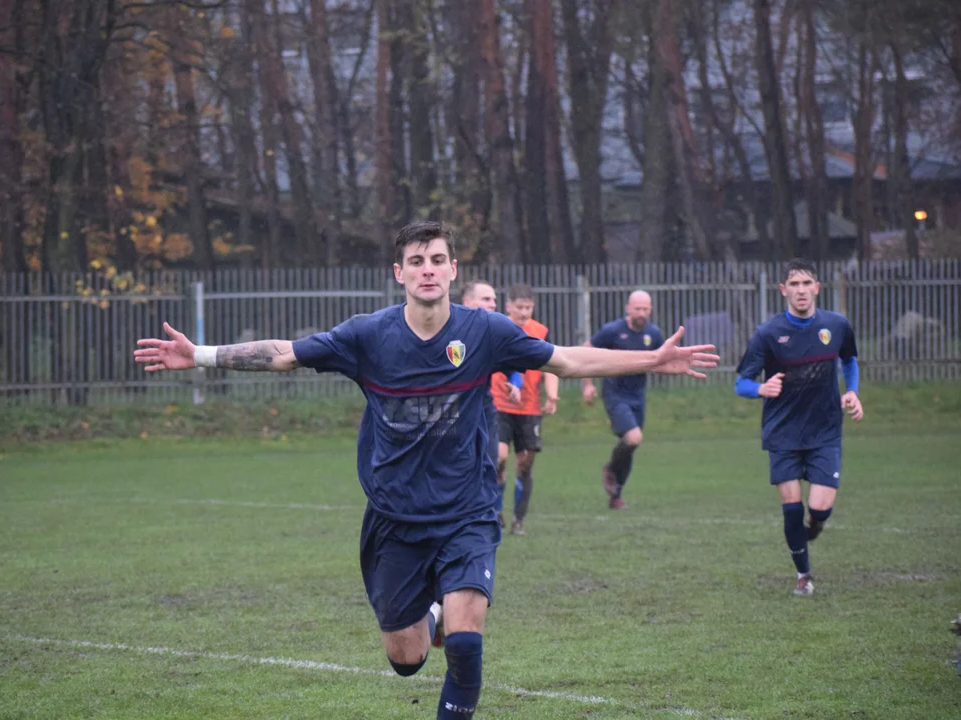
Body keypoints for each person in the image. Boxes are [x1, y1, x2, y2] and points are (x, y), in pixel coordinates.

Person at [134, 220, 719, 719]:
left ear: (453, 269)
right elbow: (285, 353)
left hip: (467, 509)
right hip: (395, 517)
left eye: (438, 259)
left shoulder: (485, 331)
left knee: (465, 643)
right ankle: (431, 610)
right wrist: (200, 355)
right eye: (416, 261)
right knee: (407, 659)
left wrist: (653, 358)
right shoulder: (368, 335)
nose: (428, 270)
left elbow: (566, 360)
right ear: (400, 273)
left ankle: (452, 615)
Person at [734, 258, 862, 597]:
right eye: (794, 284)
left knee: (820, 507)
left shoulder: (836, 325)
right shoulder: (768, 333)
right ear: (783, 290)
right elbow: (741, 383)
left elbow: (849, 360)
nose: (801, 290)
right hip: (782, 432)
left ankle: (815, 524)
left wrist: (852, 391)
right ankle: (803, 575)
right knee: (791, 507)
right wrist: (761, 389)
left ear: (817, 288)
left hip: (824, 429)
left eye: (807, 283)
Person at [582, 291, 664, 510]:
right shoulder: (612, 331)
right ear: (628, 309)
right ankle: (610, 468)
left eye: (645, 309)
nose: (641, 313)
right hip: (615, 394)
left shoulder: (654, 334)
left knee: (631, 446)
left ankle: (616, 495)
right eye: (637, 309)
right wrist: (588, 384)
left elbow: (662, 358)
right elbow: (586, 351)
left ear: (651, 309)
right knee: (633, 438)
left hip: (638, 396)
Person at [491, 283, 559, 535]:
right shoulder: (497, 327)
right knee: (499, 457)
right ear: (508, 306)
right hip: (498, 404)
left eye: (528, 307)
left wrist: (552, 395)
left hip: (529, 407)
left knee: (525, 463)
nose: (524, 312)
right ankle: (495, 511)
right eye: (519, 307)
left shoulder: (540, 332)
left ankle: (518, 520)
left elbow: (551, 366)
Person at [460, 280, 522, 481]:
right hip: (450, 413)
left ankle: (491, 501)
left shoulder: (493, 335)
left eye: (494, 300)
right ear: (467, 302)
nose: (493, 304)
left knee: (489, 466)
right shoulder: (449, 332)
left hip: (483, 411)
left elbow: (513, 368)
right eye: (486, 299)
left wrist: (516, 385)